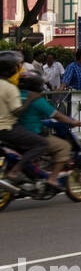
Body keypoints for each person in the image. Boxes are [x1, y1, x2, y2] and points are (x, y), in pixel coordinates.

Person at [16, 74, 81, 188]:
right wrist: (72, 122)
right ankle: (53, 178)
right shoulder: (37, 99)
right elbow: (56, 115)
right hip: (34, 134)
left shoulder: (17, 95)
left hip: (18, 133)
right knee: (64, 146)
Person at [0, 53, 49, 193]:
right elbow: (17, 112)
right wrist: (30, 100)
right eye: (16, 66)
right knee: (41, 143)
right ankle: (16, 171)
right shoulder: (9, 88)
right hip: (7, 129)